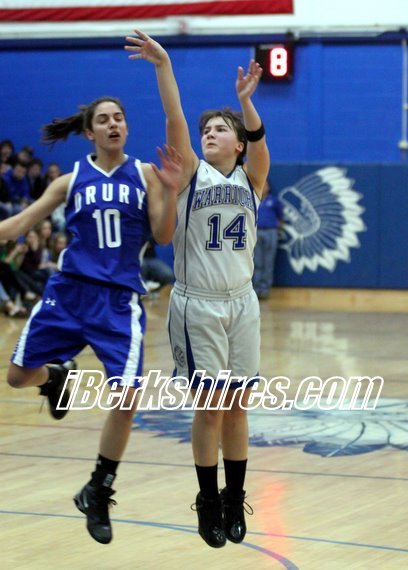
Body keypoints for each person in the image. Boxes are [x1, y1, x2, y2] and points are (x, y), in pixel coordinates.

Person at [0, 96, 182, 545]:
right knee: (17, 377)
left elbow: (163, 235)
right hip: (68, 294)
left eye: (119, 118)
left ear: (126, 127)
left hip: (118, 302)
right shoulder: (70, 180)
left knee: (127, 398)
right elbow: (19, 223)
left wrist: (171, 190)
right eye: (103, 120)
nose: (113, 124)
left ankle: (99, 489)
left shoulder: (146, 174)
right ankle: (55, 377)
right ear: (89, 132)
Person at [125, 31, 270, 548]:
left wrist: (246, 103)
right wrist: (163, 65)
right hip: (198, 303)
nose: (209, 133)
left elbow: (260, 144)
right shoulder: (190, 173)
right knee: (209, 408)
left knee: (238, 407)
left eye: (220, 129)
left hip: (242, 304)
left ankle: (235, 497)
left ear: (238, 143)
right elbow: (175, 119)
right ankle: (208, 500)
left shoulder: (253, 180)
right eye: (206, 129)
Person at [252, 179, 284, 300]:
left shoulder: (273, 201)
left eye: (266, 185)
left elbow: (281, 217)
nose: (264, 187)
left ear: (269, 187)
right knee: (257, 262)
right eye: (262, 184)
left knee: (268, 262)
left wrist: (277, 229)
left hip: (271, 232)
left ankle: (265, 289)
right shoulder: (253, 199)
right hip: (256, 232)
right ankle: (256, 289)